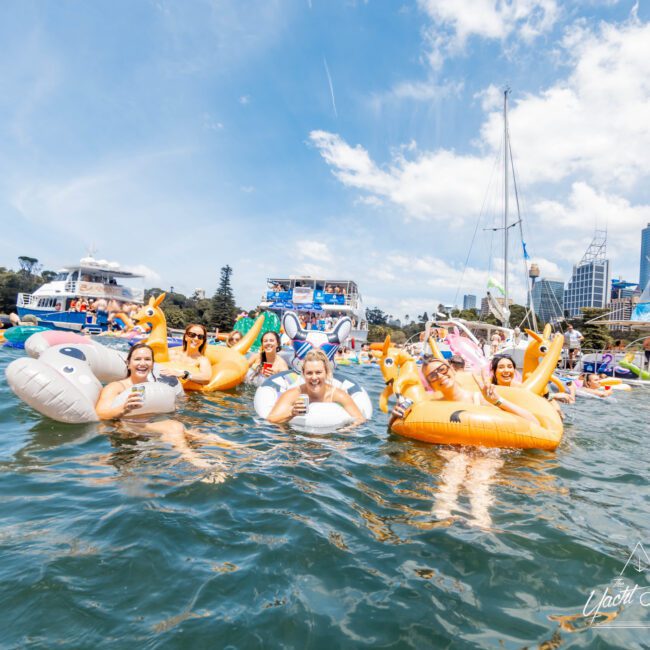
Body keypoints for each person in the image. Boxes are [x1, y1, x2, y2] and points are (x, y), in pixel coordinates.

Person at [390, 356, 538, 427]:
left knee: (480, 476)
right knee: (451, 478)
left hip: (485, 454)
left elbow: (533, 422)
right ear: (430, 383)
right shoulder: (428, 403)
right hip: (448, 452)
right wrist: (394, 417)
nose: (440, 376)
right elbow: (394, 429)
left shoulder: (479, 398)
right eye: (433, 375)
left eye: (442, 370)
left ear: (452, 370)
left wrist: (497, 401)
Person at [266, 349, 365, 425]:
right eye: (309, 373)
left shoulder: (338, 395)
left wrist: (345, 433)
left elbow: (360, 419)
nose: (314, 377)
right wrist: (291, 413)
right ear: (303, 374)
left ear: (326, 372)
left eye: (318, 372)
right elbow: (271, 419)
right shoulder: (294, 394)